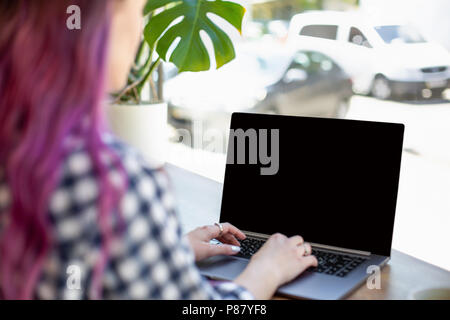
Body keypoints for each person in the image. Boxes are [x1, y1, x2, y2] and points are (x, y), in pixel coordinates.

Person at [0, 0, 317, 300]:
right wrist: (268, 269)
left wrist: (162, 252)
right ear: (100, 24)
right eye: (137, 11)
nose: (139, 32)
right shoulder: (108, 178)